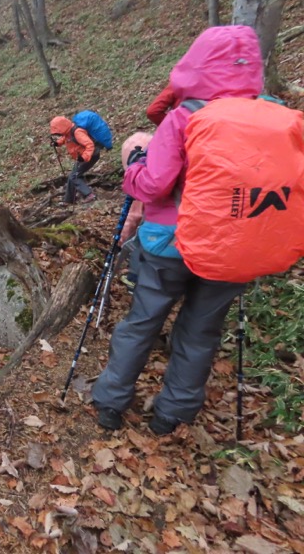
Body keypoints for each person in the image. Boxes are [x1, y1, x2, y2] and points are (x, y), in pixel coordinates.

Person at [92, 25, 261, 435]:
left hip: (172, 243)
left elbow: (153, 184)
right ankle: (172, 415)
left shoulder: (184, 118)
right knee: (202, 332)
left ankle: (111, 402)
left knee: (143, 321)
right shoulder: (271, 117)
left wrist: (132, 167)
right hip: (236, 249)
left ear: (195, 64)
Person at [117, 131, 153, 292]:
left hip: (159, 230)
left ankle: (135, 280)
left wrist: (120, 238)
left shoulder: (142, 179)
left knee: (141, 239)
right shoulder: (168, 165)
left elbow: (134, 216)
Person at [49, 116, 99, 205]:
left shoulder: (77, 132)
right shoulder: (68, 132)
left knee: (74, 176)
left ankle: (89, 194)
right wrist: (57, 143)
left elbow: (90, 144)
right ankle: (68, 200)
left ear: (62, 127)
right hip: (82, 157)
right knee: (72, 176)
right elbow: (65, 139)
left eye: (58, 131)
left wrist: (84, 157)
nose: (58, 134)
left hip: (89, 156)